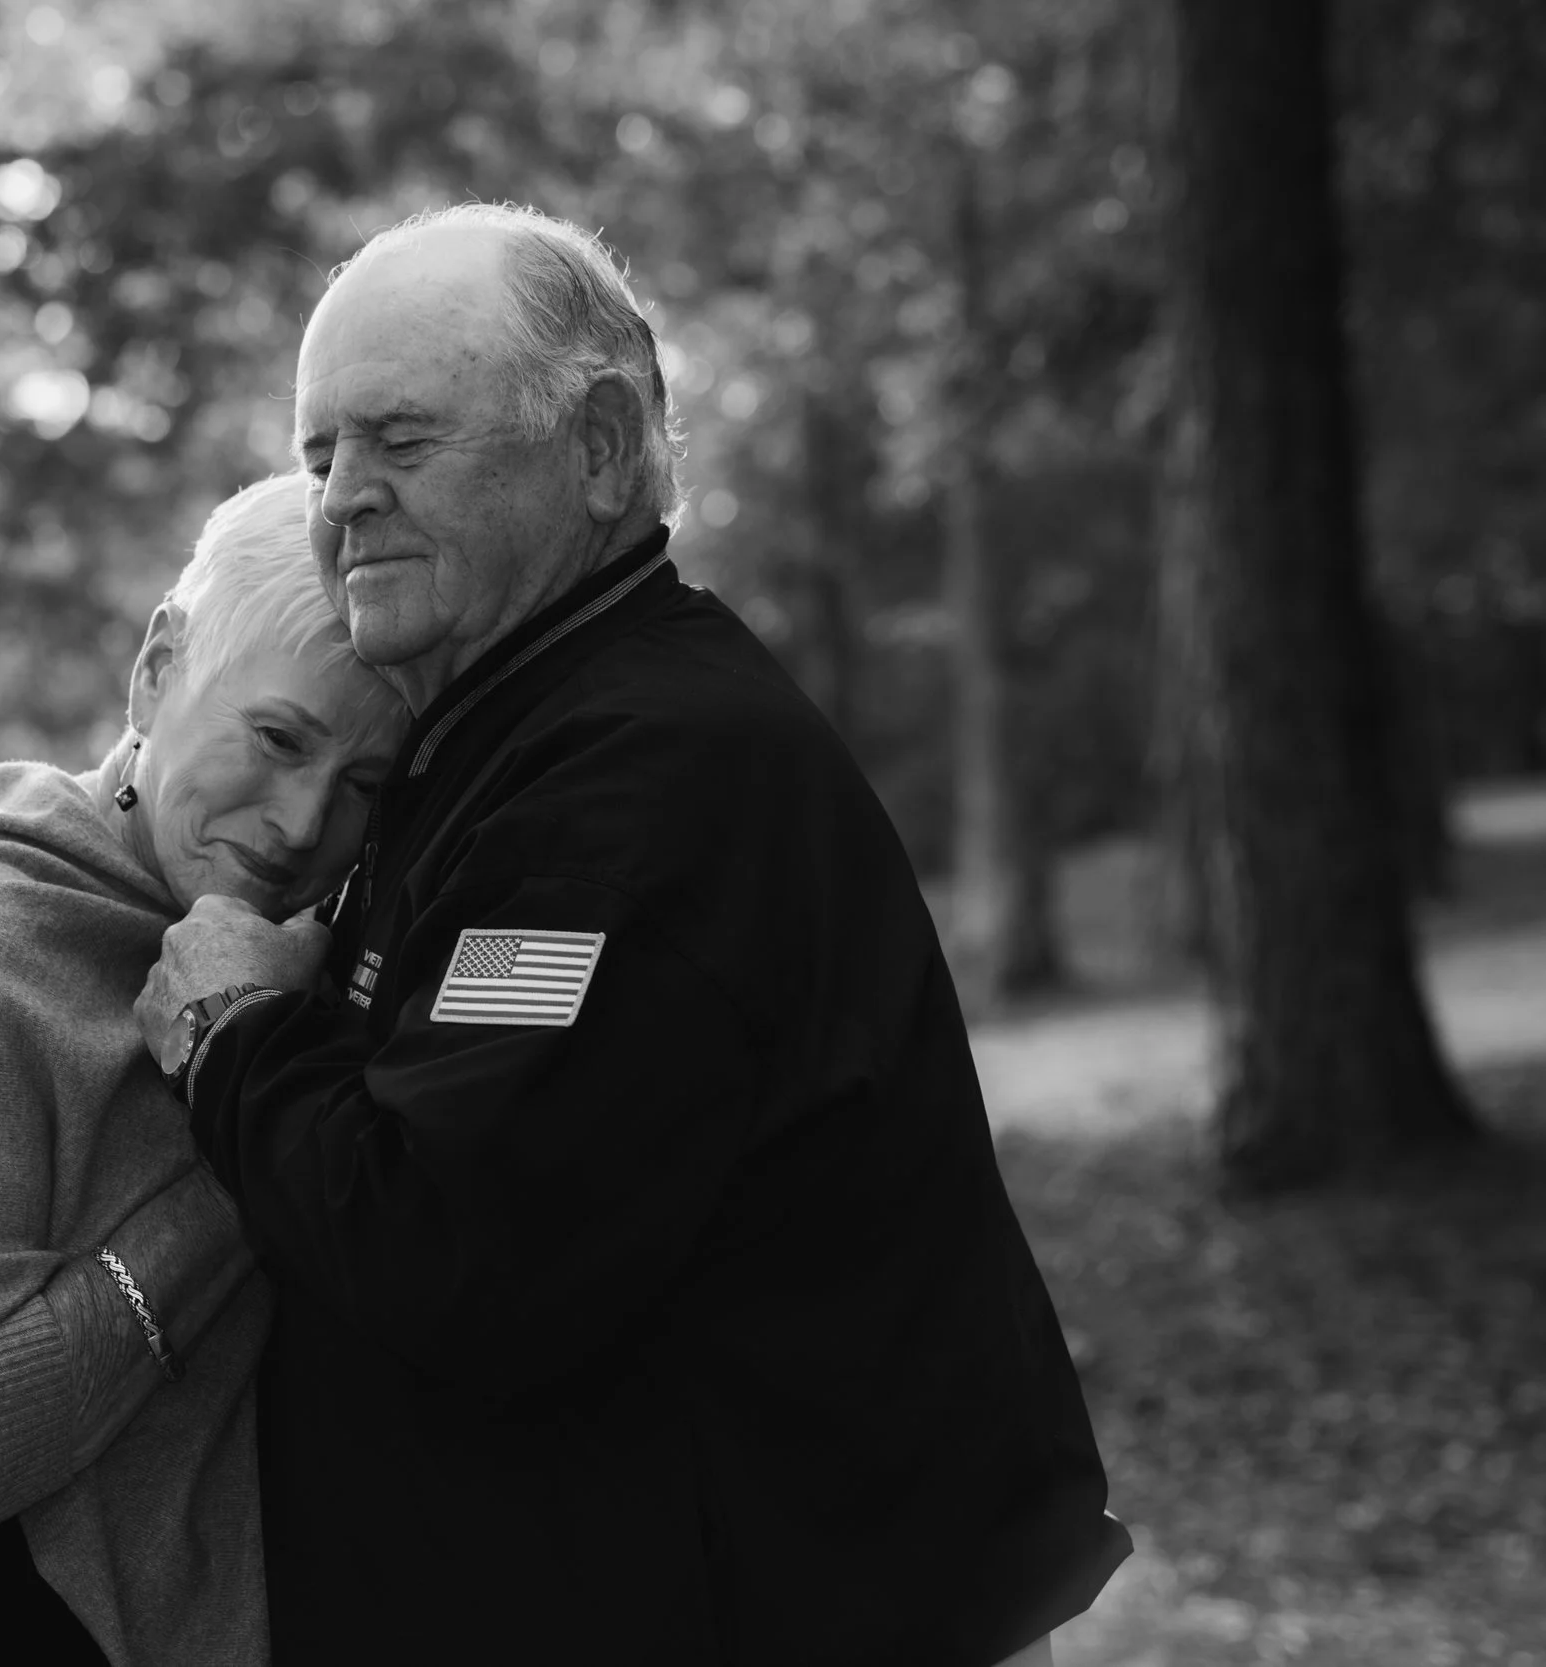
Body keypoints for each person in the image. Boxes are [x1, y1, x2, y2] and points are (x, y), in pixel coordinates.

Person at [135, 203, 1133, 1665]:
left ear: (601, 447)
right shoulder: (506, 737)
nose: (340, 498)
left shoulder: (629, 784)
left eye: (400, 441)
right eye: (319, 451)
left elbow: (448, 1253)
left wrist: (231, 1030)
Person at [0, 471, 408, 1666]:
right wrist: (256, 1116)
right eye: (277, 739)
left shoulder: (301, 949)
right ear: (157, 669)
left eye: (363, 787)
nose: (298, 823)